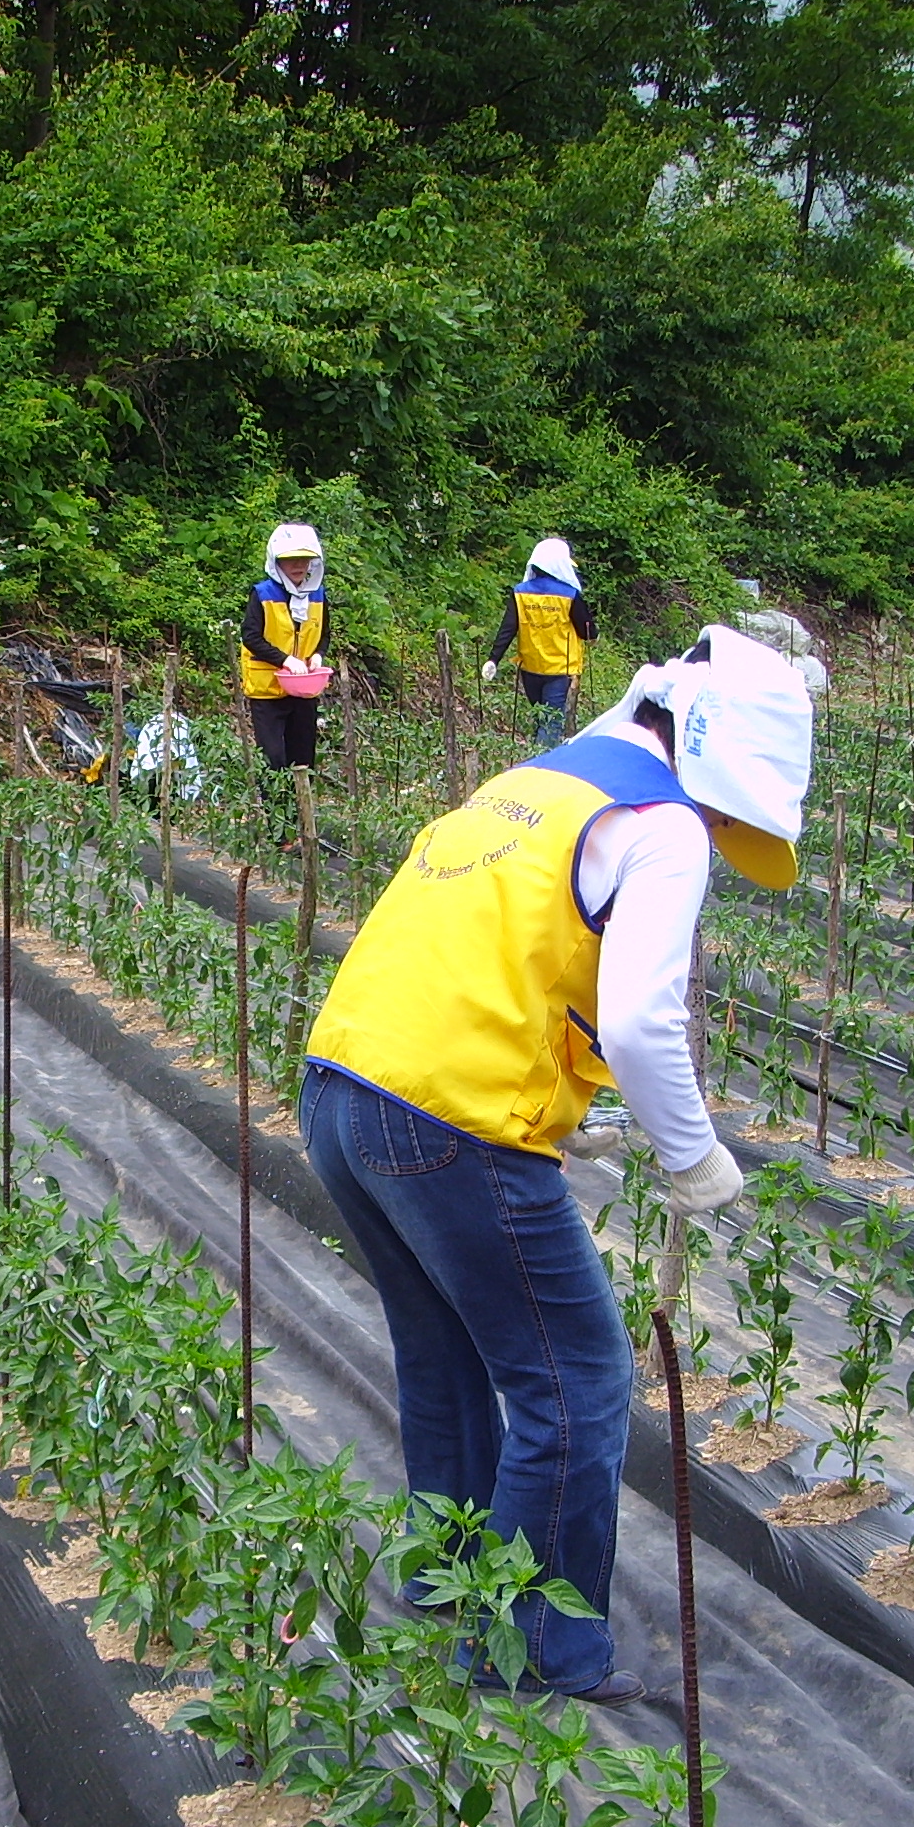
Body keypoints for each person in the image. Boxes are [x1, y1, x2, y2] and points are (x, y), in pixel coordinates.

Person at [300, 629, 813, 1705]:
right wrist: (694, 1158)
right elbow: (638, 1017)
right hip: (448, 1119)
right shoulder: (660, 822)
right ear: (720, 765)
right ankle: (528, 1649)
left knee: (441, 1351)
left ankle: (448, 1587)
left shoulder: (536, 780)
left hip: (342, 1082)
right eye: (730, 812)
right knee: (574, 1380)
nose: (720, 834)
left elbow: (496, 959)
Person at [239, 522, 329, 793]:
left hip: (303, 691)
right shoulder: (263, 594)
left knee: (303, 762)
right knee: (273, 762)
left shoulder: (318, 594)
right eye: (290, 560)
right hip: (267, 691)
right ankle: (279, 832)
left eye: (303, 559)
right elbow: (251, 637)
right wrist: (285, 660)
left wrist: (317, 656)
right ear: (277, 562)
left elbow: (324, 633)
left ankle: (302, 826)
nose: (298, 565)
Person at [483, 537, 597, 748]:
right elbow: (588, 632)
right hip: (559, 671)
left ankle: (537, 760)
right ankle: (541, 765)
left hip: (530, 669)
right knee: (551, 724)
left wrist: (493, 659)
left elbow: (508, 628)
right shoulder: (570, 595)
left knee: (541, 719)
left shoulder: (520, 592)